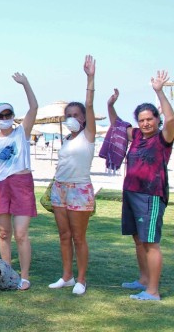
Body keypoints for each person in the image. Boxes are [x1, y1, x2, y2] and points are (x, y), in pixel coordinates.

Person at [108, 70, 173, 301]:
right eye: (142, 120)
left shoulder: (163, 138)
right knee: (138, 239)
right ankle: (144, 280)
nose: (145, 123)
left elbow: (171, 119)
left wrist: (159, 91)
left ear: (157, 120)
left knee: (150, 242)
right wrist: (110, 105)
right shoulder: (136, 136)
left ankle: (153, 291)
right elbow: (116, 124)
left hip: (150, 196)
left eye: (149, 119)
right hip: (131, 193)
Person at [0, 72, 38, 291]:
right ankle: (7, 273)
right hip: (1, 186)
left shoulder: (22, 132)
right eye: (0, 115)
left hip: (21, 183)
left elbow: (34, 107)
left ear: (13, 115)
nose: (4, 118)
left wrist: (25, 83)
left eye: (7, 114)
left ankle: (25, 275)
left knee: (21, 234)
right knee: (3, 233)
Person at [42, 56, 98, 296]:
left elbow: (90, 104)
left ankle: (81, 279)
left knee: (78, 237)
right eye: (68, 115)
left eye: (76, 114)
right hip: (60, 188)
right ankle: (67, 276)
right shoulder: (66, 139)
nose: (72, 118)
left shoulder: (88, 136)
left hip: (79, 189)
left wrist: (90, 78)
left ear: (83, 117)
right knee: (64, 235)